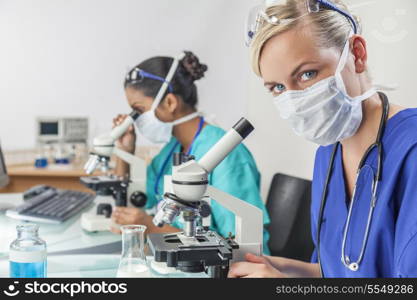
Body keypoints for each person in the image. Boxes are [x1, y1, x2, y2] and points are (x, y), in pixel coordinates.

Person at [229, 0, 417, 277]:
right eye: (278, 87)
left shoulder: (410, 149)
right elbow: (335, 270)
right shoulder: (327, 156)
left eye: (307, 74)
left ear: (357, 54)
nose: (294, 99)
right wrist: (280, 267)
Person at [111, 51, 271, 254]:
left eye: (138, 110)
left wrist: (151, 228)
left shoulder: (226, 154)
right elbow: (137, 201)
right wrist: (124, 151)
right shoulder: (173, 148)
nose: (135, 119)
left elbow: (243, 249)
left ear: (170, 102)